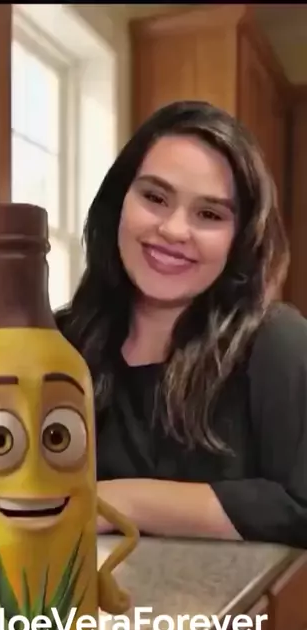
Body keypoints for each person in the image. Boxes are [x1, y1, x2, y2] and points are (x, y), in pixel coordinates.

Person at [55, 99, 307, 550]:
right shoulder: (57, 344)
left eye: (209, 215)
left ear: (239, 238)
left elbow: (300, 506)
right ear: (118, 203)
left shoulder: (276, 342)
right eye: (155, 197)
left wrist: (117, 500)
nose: (174, 230)